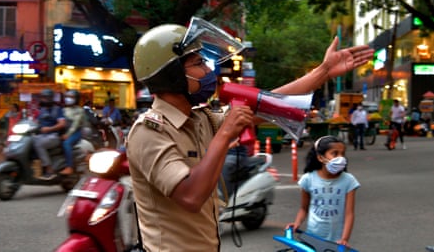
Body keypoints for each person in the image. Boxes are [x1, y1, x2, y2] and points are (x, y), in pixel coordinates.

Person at [125, 21, 374, 251]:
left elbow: (268, 102)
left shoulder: (199, 119)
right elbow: (190, 196)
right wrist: (225, 134)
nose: (209, 71)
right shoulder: (149, 132)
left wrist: (323, 71)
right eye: (198, 64)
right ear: (172, 74)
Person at [286, 135, 360, 246]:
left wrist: (344, 239)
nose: (340, 158)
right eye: (335, 153)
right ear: (320, 157)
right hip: (311, 238)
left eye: (342, 154)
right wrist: (297, 223)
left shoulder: (349, 181)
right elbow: (304, 208)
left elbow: (349, 214)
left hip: (336, 241)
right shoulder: (308, 179)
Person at [33, 89, 67, 180]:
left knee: (39, 144)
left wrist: (49, 129)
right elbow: (36, 121)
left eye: (45, 98)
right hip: (42, 135)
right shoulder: (42, 110)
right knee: (29, 141)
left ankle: (49, 169)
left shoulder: (57, 109)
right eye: (42, 98)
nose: (43, 100)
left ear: (50, 98)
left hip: (54, 136)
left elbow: (62, 123)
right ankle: (35, 168)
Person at [60, 90, 85, 175]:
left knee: (66, 144)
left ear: (76, 99)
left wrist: (68, 134)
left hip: (75, 133)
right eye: (67, 96)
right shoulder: (63, 109)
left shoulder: (79, 110)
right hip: (64, 132)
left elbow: (75, 124)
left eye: (71, 97)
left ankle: (69, 167)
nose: (68, 99)